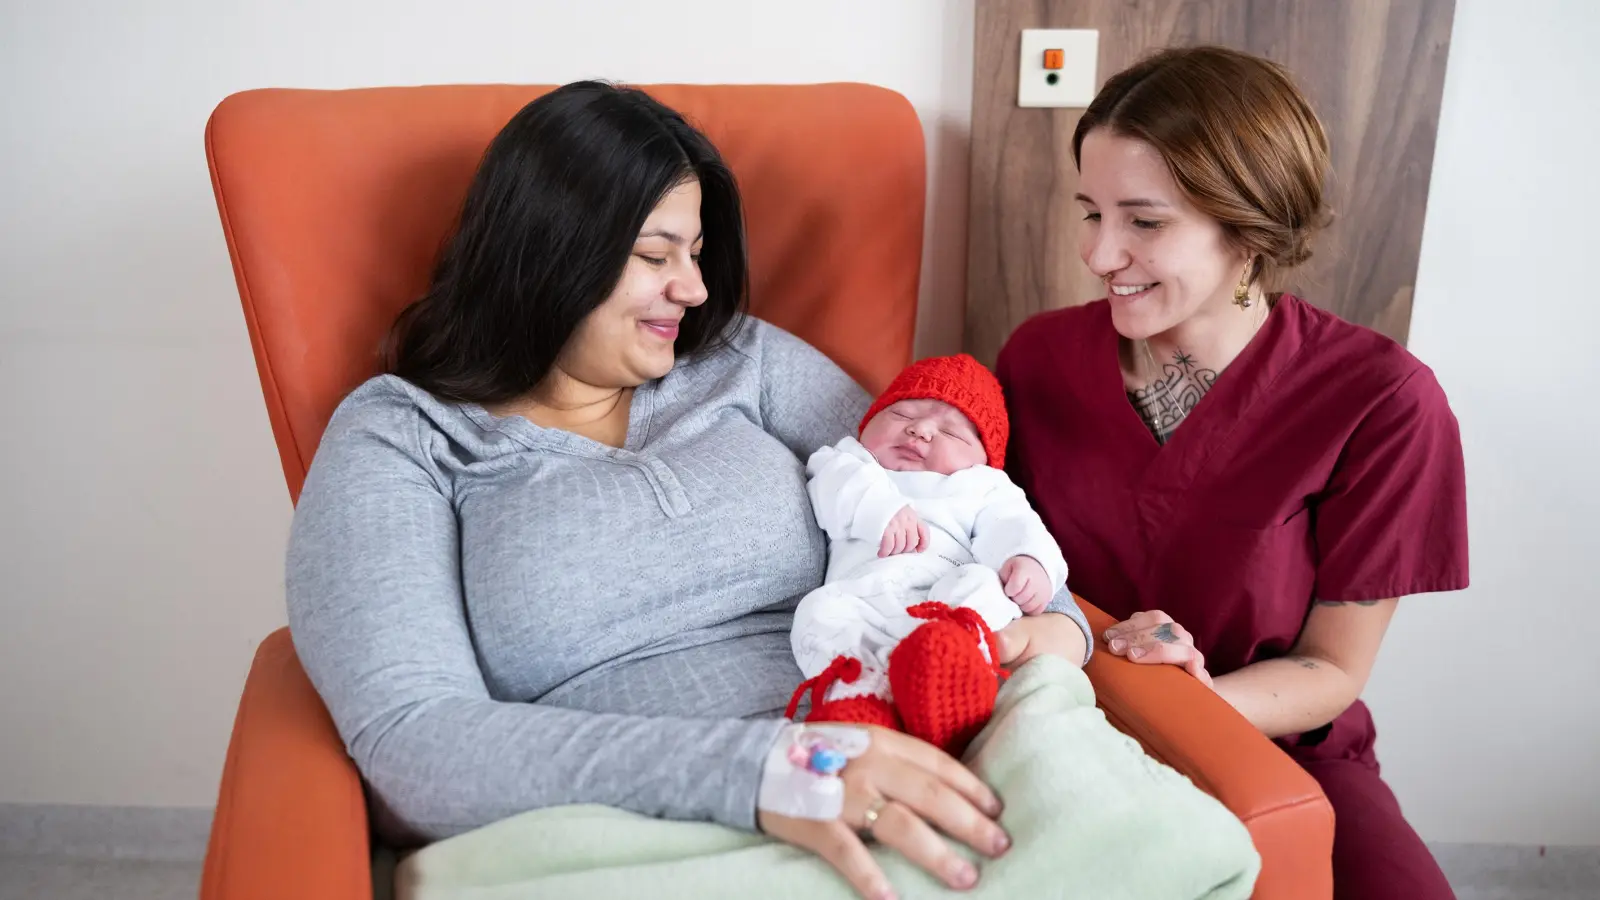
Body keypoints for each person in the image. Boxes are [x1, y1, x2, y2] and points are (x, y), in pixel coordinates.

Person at [285, 80, 1090, 900]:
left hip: (903, 739)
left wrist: (1056, 635)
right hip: (634, 827)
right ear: (548, 246)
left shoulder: (746, 361)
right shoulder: (402, 435)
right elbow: (414, 744)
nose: (696, 289)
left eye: (697, 253)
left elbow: (972, 514)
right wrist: (779, 772)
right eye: (653, 254)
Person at [996, 46, 1468, 900]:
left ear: (1247, 227)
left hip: (1274, 742)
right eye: (1090, 211)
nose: (1100, 255)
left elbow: (1332, 670)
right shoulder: (1037, 361)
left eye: (1143, 221)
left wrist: (1194, 698)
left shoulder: (1382, 401)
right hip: (1058, 725)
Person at [787, 353, 1071, 755]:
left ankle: (949, 678)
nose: (919, 430)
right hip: (862, 599)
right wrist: (878, 510)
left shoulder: (985, 486)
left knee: (984, 586)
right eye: (902, 414)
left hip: (944, 599)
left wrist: (1030, 562)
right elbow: (833, 489)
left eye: (952, 433)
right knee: (817, 613)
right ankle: (862, 697)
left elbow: (1017, 525)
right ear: (868, 425)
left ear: (985, 460)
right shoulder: (851, 461)